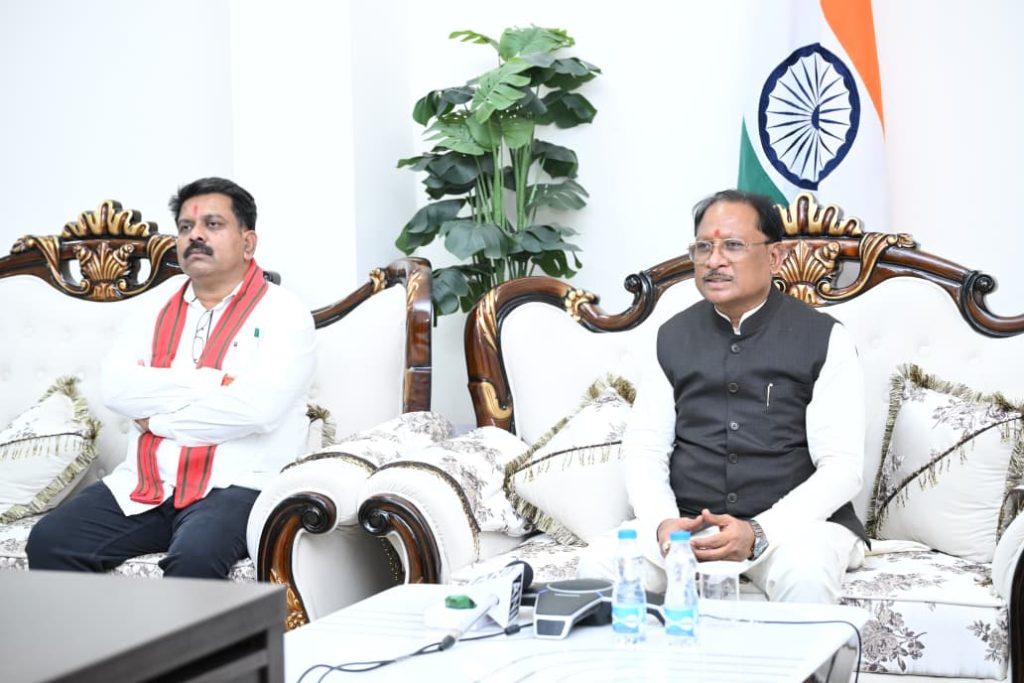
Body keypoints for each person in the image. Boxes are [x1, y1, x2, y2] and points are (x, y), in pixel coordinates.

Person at [581, 189, 866, 605]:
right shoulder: (672, 336)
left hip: (794, 530)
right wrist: (663, 523)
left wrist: (760, 531)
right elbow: (645, 449)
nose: (714, 260)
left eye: (732, 245)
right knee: (601, 564)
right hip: (691, 527)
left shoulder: (825, 338)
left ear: (776, 256)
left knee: (804, 573)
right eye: (703, 247)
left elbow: (842, 468)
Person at [27, 177, 316, 578]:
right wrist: (211, 382)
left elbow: (254, 411)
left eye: (212, 225)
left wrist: (159, 422)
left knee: (196, 556)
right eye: (185, 227)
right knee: (51, 541)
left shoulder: (284, 313)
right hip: (149, 482)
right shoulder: (152, 308)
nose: (195, 235)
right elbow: (117, 389)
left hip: (237, 486)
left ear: (248, 242)